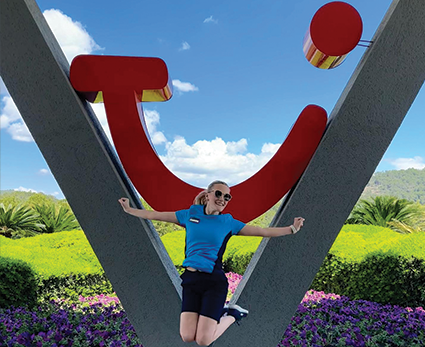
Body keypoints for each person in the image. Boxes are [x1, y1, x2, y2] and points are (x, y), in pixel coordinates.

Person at [118, 180, 304, 346]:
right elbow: (156, 215)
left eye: (227, 196)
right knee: (187, 336)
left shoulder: (228, 222)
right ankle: (221, 312)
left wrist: (292, 229)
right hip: (190, 281)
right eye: (218, 193)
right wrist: (129, 210)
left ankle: (232, 315)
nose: (222, 198)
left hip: (213, 283)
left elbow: (262, 231)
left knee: (203, 341)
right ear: (207, 195)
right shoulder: (190, 215)